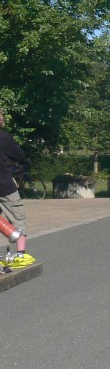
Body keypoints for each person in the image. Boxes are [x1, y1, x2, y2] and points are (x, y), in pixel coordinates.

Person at [0, 110, 33, 269]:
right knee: (17, 215)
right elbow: (20, 155)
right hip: (4, 184)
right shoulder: (3, 137)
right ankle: (20, 254)